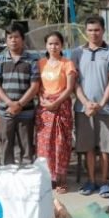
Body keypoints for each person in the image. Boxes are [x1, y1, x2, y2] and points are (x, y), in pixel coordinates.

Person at [72, 15, 109, 198]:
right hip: (83, 109)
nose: (94, 33)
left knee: (105, 147)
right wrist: (86, 103)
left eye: (97, 30)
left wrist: (100, 104)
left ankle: (105, 182)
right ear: (86, 32)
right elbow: (74, 82)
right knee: (88, 147)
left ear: (103, 30)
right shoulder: (77, 52)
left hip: (106, 109)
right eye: (90, 30)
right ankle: (91, 180)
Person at [0, 22, 40, 166]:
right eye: (10, 37)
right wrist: (10, 103)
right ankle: (7, 177)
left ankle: (26, 176)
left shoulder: (32, 60)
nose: (13, 40)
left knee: (26, 147)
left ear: (23, 39)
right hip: (5, 111)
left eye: (16, 37)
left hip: (26, 112)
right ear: (6, 40)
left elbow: (35, 86)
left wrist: (19, 104)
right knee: (6, 144)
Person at [36, 31, 77, 193]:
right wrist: (42, 100)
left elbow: (69, 88)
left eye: (57, 43)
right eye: (50, 43)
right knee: (44, 146)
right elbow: (38, 86)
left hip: (62, 108)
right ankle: (48, 179)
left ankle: (61, 179)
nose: (53, 46)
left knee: (61, 144)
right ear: (46, 46)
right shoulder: (40, 63)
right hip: (44, 109)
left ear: (62, 45)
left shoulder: (67, 64)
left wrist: (56, 102)